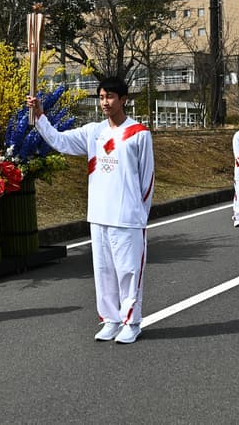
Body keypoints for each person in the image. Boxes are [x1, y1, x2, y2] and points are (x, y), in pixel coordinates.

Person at [26, 77, 154, 344]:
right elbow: (59, 141)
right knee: (104, 271)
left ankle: (132, 322)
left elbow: (147, 179)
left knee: (129, 271)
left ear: (123, 100)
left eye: (109, 97)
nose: (105, 103)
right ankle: (110, 319)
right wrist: (40, 117)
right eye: (101, 97)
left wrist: (140, 215)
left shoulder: (139, 133)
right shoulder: (93, 132)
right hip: (98, 215)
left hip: (127, 217)